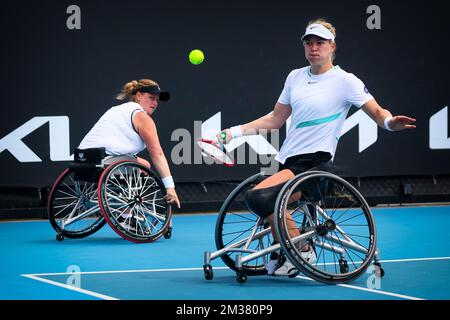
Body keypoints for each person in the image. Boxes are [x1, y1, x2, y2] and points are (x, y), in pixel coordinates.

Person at [217, 18, 416, 277]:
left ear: (332, 46)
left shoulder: (346, 81)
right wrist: (231, 133)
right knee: (269, 200)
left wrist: (390, 123)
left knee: (260, 197)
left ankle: (300, 249)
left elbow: (378, 113)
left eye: (320, 43)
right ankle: (289, 250)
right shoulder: (295, 77)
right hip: (288, 162)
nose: (313, 48)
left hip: (315, 165)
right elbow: (275, 118)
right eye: (309, 43)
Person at [79, 78, 181, 212]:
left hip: (82, 160)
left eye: (157, 100)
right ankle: (127, 213)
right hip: (104, 162)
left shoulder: (118, 109)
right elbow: (157, 155)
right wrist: (170, 187)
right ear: (138, 96)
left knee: (144, 165)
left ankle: (120, 202)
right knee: (140, 165)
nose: (155, 103)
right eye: (151, 98)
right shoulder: (142, 117)